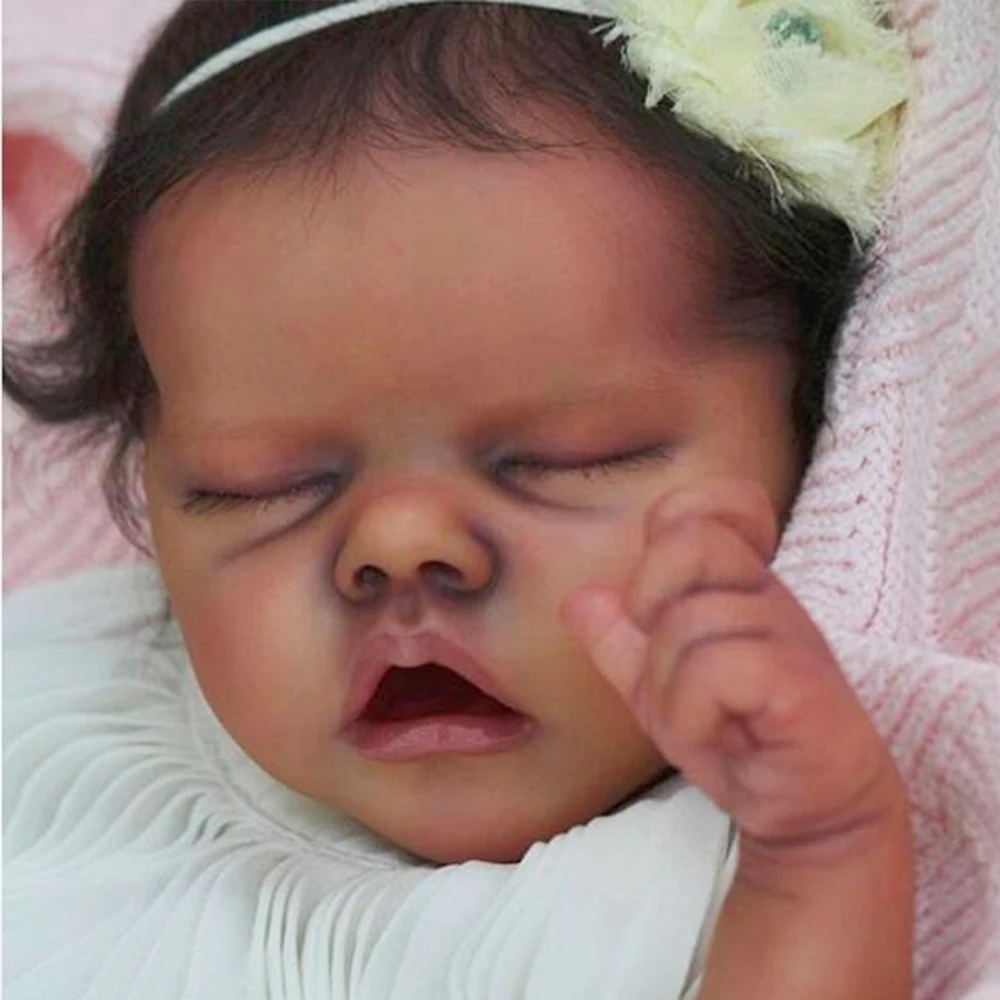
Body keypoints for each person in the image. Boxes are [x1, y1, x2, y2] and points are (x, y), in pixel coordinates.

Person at [2, 1, 917, 996]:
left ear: (814, 417)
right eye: (261, 484)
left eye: (564, 457)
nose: (400, 540)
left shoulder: (754, 851)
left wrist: (823, 855)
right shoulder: (53, 720)